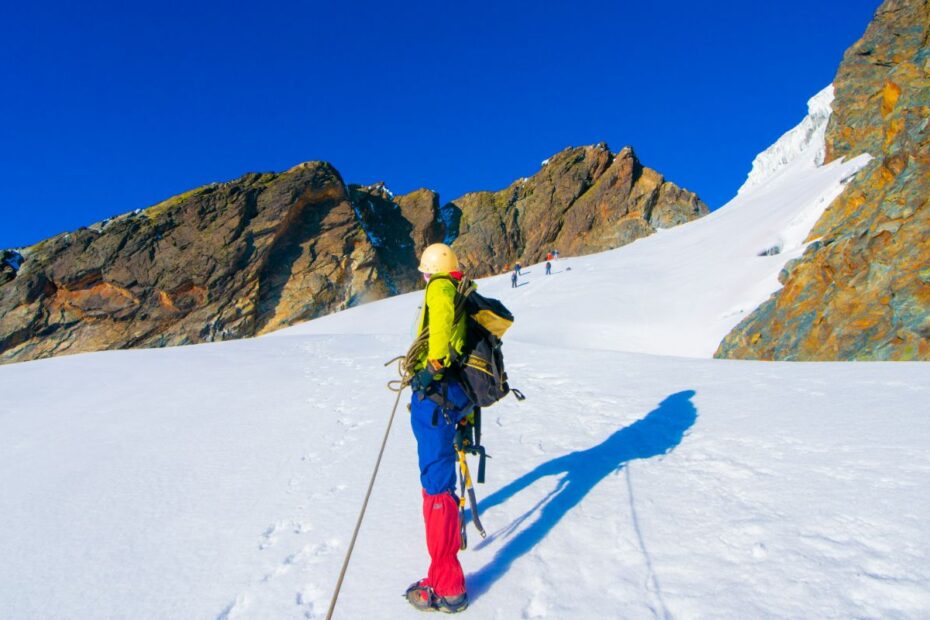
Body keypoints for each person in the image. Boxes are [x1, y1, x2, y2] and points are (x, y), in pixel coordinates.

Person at [404, 243, 471, 614]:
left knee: (436, 483)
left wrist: (431, 366)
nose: (423, 277)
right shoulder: (459, 288)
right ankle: (445, 563)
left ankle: (447, 586)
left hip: (437, 397)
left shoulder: (441, 288)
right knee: (439, 478)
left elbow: (441, 324)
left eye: (423, 271)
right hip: (455, 399)